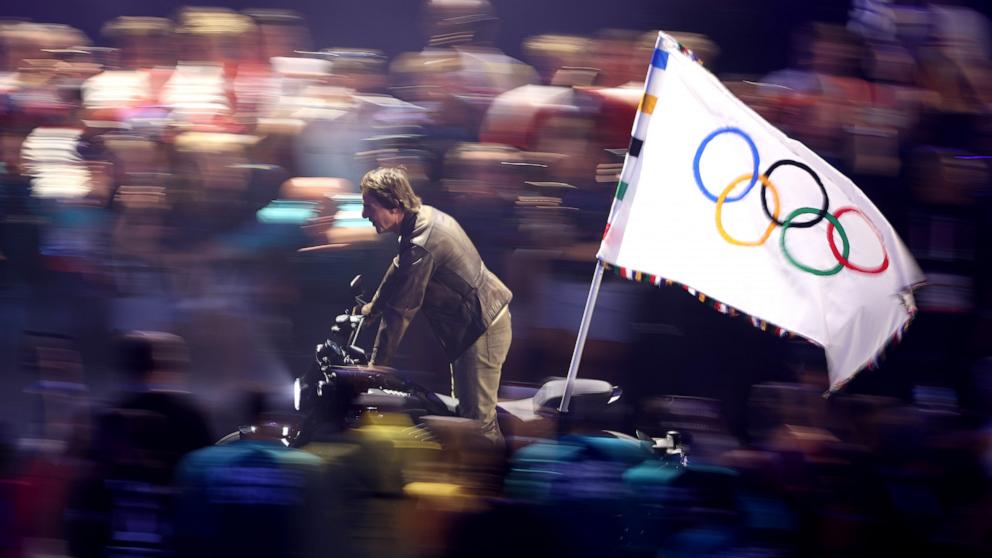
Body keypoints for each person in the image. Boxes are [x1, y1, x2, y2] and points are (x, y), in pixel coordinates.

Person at [360, 166, 512, 442]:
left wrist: (376, 367)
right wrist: (373, 307)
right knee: (463, 417)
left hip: (482, 328)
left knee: (478, 426)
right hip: (474, 327)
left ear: (394, 205)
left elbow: (402, 310)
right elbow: (399, 267)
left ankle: (496, 482)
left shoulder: (423, 243)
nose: (364, 215)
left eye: (369, 207)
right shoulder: (420, 220)